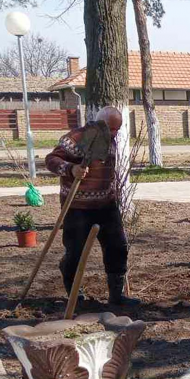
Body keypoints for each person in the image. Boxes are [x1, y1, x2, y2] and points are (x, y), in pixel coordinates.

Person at [45, 107, 140, 307]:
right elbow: (51, 160)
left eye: (117, 130)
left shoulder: (110, 141)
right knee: (76, 252)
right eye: (111, 128)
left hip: (106, 205)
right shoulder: (76, 138)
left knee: (117, 247)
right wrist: (72, 169)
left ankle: (116, 296)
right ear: (100, 122)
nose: (114, 134)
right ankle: (74, 295)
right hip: (77, 206)